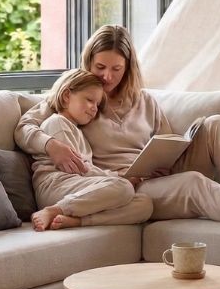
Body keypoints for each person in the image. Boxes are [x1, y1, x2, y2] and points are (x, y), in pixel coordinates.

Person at [15, 25, 220, 230]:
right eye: (99, 67)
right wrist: (50, 146)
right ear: (88, 64)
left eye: (116, 68)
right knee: (194, 184)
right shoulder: (75, 99)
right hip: (117, 184)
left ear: (128, 69)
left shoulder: (145, 101)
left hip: (153, 175)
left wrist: (163, 158)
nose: (107, 77)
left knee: (213, 124)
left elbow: (168, 140)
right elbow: (24, 128)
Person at [28, 68, 152, 231]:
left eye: (97, 104)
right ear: (66, 96)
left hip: (75, 189)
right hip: (55, 187)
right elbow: (79, 169)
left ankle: (77, 221)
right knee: (123, 187)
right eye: (89, 100)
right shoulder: (58, 123)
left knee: (144, 204)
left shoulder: (78, 131)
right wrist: (118, 177)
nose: (94, 108)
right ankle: (54, 210)